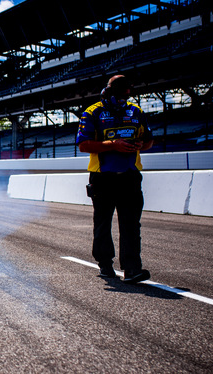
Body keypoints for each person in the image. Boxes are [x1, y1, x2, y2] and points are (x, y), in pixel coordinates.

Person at [76, 75, 154, 284]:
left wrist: (139, 145)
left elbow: (148, 141)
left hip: (130, 176)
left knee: (131, 224)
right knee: (103, 223)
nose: (122, 99)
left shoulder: (136, 111)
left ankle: (132, 269)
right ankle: (105, 265)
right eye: (118, 95)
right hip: (103, 178)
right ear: (108, 93)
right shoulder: (92, 112)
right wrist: (112, 145)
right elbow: (83, 145)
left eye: (125, 95)